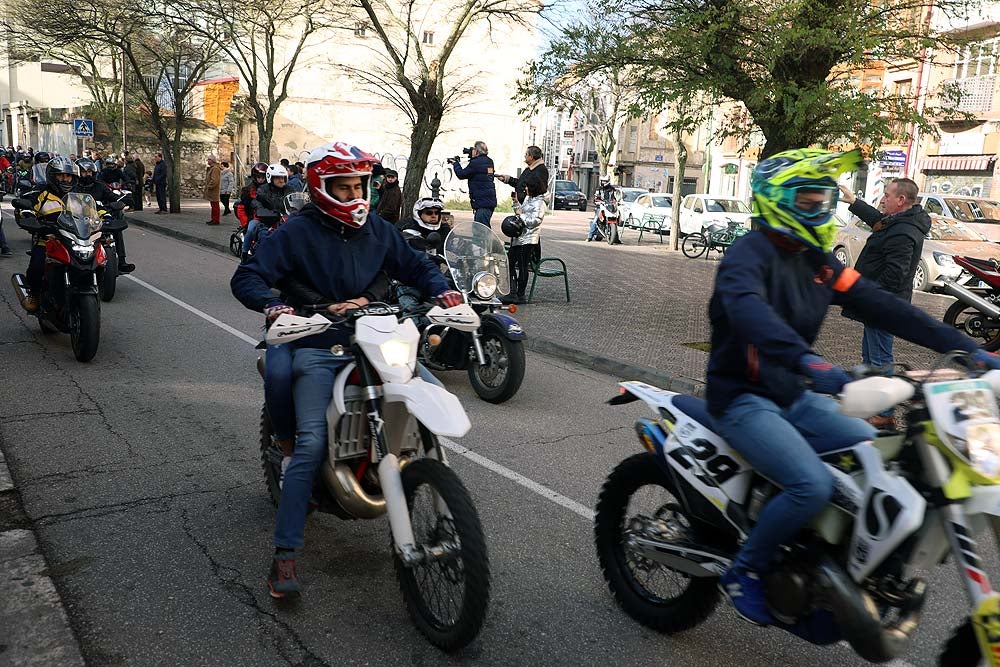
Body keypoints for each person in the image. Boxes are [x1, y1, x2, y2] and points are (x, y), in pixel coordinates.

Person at [707, 147, 1000, 627]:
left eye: (826, 200)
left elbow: (883, 305)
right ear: (777, 201)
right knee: (811, 483)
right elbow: (748, 311)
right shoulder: (748, 255)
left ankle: (831, 561)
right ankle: (745, 570)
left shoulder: (818, 261)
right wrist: (807, 360)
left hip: (794, 397)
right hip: (744, 398)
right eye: (809, 201)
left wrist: (969, 348)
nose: (822, 209)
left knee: (872, 452)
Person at [231, 141, 462, 598]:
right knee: (312, 443)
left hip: (378, 334)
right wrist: (275, 305)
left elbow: (416, 266)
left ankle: (438, 502)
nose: (355, 193)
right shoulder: (296, 232)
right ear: (321, 187)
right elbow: (247, 276)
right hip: (317, 339)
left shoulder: (377, 229)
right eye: (345, 185)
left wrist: (444, 292)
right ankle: (284, 556)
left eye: (360, 184)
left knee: (431, 396)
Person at [838, 180, 928, 429]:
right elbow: (877, 219)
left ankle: (885, 413)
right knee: (871, 358)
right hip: (876, 304)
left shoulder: (904, 231)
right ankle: (873, 407)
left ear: (901, 200)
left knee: (879, 360)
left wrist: (868, 293)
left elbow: (895, 275)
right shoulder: (899, 222)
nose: (883, 198)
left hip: (883, 306)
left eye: (887, 195)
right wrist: (854, 202)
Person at [21, 157, 80, 312]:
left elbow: (94, 210)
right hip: (48, 240)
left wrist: (106, 217)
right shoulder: (41, 193)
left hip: (75, 239)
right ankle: (34, 295)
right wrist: (29, 217)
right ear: (52, 176)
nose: (65, 179)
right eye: (60, 175)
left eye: (68, 176)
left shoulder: (78, 195)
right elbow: (27, 206)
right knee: (36, 267)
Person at [75, 158, 135, 273]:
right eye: (84, 172)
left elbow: (112, 197)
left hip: (98, 219)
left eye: (89, 172)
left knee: (115, 230)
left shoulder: (100, 186)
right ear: (78, 172)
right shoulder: (73, 187)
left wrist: (122, 200)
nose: (87, 175)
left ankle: (121, 261)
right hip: (77, 220)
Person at [396, 197, 451, 323]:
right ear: (419, 213)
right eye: (429, 213)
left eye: (437, 213)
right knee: (410, 315)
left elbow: (455, 245)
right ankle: (413, 339)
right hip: (409, 281)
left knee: (460, 308)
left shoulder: (444, 230)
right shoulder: (405, 227)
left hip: (438, 279)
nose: (434, 216)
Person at [504, 182, 545, 304]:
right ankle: (512, 291)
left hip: (529, 239)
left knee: (522, 266)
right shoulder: (528, 198)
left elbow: (535, 221)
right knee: (509, 262)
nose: (525, 188)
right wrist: (516, 203)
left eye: (528, 186)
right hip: (519, 236)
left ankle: (520, 295)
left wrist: (522, 216)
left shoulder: (540, 202)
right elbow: (520, 212)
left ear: (534, 187)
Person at [450, 140, 497, 227]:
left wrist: (456, 164)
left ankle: (485, 241)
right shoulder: (489, 161)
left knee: (480, 230)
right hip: (488, 201)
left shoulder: (476, 163)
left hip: (482, 202)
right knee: (482, 227)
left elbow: (461, 174)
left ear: (476, 151)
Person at [238, 163, 274, 257]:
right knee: (250, 230)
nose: (261, 179)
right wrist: (245, 223)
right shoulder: (248, 190)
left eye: (263, 177)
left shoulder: (272, 189)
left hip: (271, 217)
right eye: (258, 177)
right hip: (256, 218)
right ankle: (244, 253)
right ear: (254, 177)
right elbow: (241, 208)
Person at [587, 176, 616, 242]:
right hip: (600, 207)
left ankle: (616, 238)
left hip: (609, 207)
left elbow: (615, 197)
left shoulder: (612, 189)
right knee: (595, 220)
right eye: (602, 181)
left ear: (608, 181)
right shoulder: (599, 189)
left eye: (605, 181)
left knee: (615, 219)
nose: (603, 182)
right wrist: (597, 201)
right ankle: (589, 236)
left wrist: (616, 202)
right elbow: (595, 197)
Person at [204, 154, 222, 225]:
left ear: (212, 161)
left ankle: (216, 220)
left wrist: (209, 186)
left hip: (213, 190)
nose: (207, 161)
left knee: (215, 205)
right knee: (213, 205)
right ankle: (213, 219)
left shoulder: (215, 169)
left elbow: (214, 180)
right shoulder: (213, 168)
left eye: (209, 159)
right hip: (212, 190)